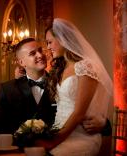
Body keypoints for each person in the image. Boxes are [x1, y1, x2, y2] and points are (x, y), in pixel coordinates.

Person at [35, 18, 113, 155]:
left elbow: (79, 113)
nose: (48, 47)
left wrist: (54, 141)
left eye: (50, 42)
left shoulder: (85, 66)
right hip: (59, 132)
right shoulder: (60, 67)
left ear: (63, 39)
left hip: (80, 136)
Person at [0, 38, 56, 134]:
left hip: (55, 145)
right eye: (32, 53)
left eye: (40, 50)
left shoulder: (59, 83)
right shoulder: (7, 89)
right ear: (21, 62)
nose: (40, 55)